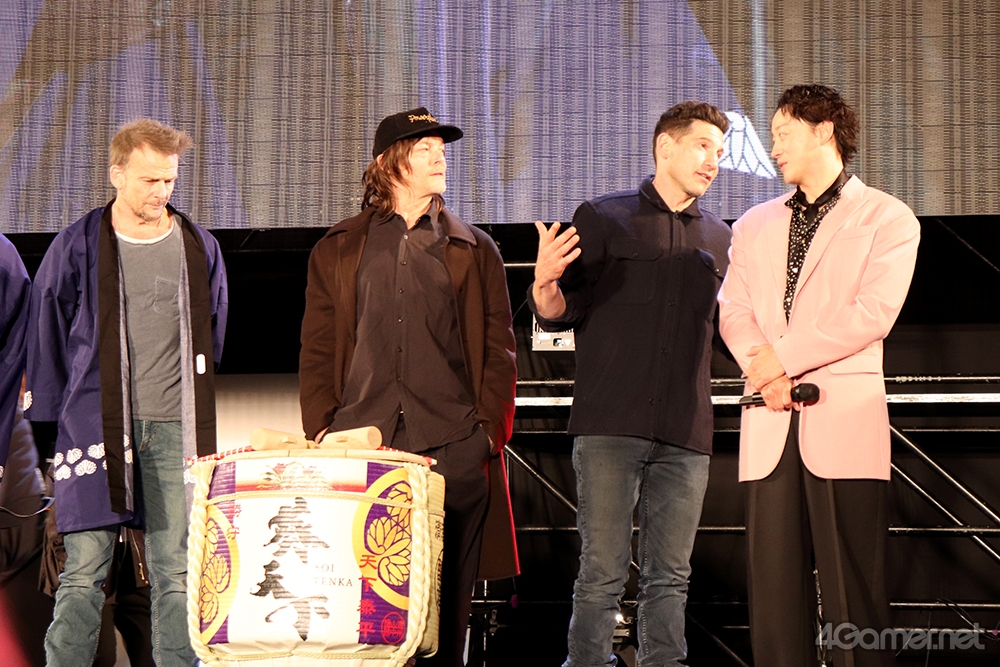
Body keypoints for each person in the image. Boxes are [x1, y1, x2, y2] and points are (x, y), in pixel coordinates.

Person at [299, 107, 518, 666]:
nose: (440, 157)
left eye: (441, 149)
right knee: (362, 613)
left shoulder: (474, 249)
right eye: (425, 148)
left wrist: (484, 437)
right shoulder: (339, 247)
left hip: (451, 445)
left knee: (443, 614)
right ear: (389, 163)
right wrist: (322, 429)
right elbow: (318, 347)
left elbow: (499, 351)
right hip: (363, 448)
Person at [718, 84, 920, 667]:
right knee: (775, 594)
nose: (773, 147)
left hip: (842, 417)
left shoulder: (886, 216)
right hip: (770, 416)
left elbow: (872, 313)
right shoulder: (752, 224)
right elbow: (734, 311)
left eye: (783, 133)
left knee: (854, 590)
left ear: (824, 130)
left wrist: (782, 359)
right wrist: (766, 373)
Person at [528, 101, 732, 667]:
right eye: (702, 146)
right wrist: (544, 284)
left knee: (671, 574)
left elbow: (731, 330)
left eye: (719, 152)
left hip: (685, 429)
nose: (713, 162)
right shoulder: (604, 217)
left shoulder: (722, 237)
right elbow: (560, 312)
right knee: (602, 570)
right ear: (665, 146)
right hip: (610, 424)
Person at [27, 118, 228, 667]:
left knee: (176, 571)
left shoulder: (197, 245)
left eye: (169, 180)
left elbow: (212, 332)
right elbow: (46, 335)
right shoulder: (76, 245)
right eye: (149, 180)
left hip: (173, 430)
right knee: (83, 570)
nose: (161, 191)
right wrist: (52, 428)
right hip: (93, 427)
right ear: (117, 174)